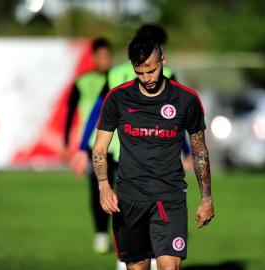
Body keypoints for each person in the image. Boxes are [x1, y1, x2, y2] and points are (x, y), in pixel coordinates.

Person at [92, 35, 215, 270]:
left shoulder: (186, 100)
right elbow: (99, 149)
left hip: (169, 198)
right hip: (128, 200)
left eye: (151, 70)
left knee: (169, 266)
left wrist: (206, 199)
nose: (147, 78)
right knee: (137, 267)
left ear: (163, 61)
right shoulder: (117, 98)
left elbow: (200, 151)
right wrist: (103, 185)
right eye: (139, 72)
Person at [108, 24, 192, 171]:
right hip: (157, 151)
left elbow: (98, 110)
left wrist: (83, 147)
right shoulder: (165, 74)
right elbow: (176, 118)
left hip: (117, 147)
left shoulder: (114, 73)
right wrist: (186, 150)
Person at [63, 37, 118, 254]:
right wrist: (68, 143)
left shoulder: (118, 78)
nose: (105, 60)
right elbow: (69, 114)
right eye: (101, 56)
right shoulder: (82, 82)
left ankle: (122, 234)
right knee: (99, 191)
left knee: (123, 192)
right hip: (93, 147)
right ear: (94, 57)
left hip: (118, 146)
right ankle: (101, 235)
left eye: (108, 56)